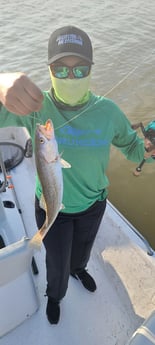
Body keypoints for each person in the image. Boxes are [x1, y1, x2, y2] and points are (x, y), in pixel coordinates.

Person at [0, 25, 155, 325]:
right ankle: (55, 295)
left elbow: (136, 151)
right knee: (55, 264)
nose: (71, 77)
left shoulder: (108, 112)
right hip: (51, 207)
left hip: (94, 205)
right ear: (49, 69)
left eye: (80, 69)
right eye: (62, 69)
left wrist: (150, 149)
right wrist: (0, 84)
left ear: (91, 70)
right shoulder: (34, 107)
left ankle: (79, 268)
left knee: (81, 253)